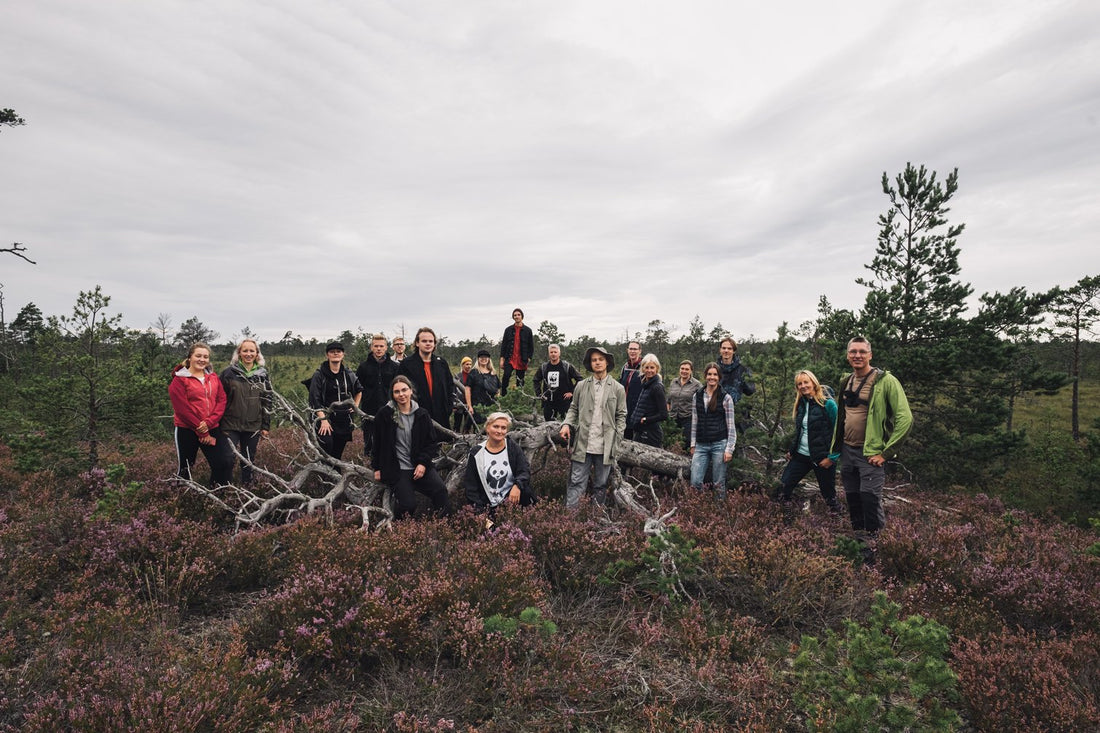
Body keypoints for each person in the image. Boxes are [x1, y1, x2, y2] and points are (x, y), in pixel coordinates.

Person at [831, 336, 912, 536]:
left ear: (870, 355)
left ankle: (876, 547)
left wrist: (886, 453)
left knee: (870, 499)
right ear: (848, 355)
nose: (857, 356)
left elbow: (906, 418)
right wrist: (835, 448)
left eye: (862, 352)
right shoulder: (846, 381)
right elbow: (842, 416)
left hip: (870, 454)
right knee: (853, 499)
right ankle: (859, 542)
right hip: (847, 451)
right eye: (853, 352)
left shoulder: (886, 381)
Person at [371, 375, 451, 519]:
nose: (401, 394)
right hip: (397, 468)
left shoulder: (422, 414)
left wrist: (422, 463)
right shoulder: (384, 414)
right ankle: (399, 530)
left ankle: (442, 525)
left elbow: (431, 443)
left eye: (404, 390)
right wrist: (377, 468)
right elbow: (377, 442)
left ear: (410, 391)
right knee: (408, 505)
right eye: (397, 392)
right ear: (392, 394)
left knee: (441, 491)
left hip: (419, 465)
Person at [559, 346, 627, 509]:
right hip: (583, 443)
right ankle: (570, 521)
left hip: (605, 445)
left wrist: (617, 439)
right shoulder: (582, 386)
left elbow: (621, 415)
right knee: (576, 483)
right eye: (594, 360)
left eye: (600, 359)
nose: (597, 363)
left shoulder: (617, 388)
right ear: (590, 364)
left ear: (607, 362)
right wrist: (566, 424)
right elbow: (574, 408)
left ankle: (596, 518)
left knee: (601, 485)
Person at [169, 342, 233, 486]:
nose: (202, 359)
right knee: (186, 469)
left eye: (205, 357)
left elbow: (221, 400)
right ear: (190, 357)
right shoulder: (179, 380)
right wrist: (201, 430)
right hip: (187, 430)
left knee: (225, 461)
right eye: (198, 356)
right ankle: (177, 502)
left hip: (212, 427)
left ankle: (217, 496)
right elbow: (182, 410)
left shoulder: (213, 378)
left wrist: (209, 423)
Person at [778, 370, 841, 511]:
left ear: (813, 382)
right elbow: (801, 431)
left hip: (822, 457)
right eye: (799, 384)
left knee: (829, 495)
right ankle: (786, 517)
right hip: (801, 455)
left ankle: (837, 522)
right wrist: (792, 450)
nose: (803, 386)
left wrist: (832, 458)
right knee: (784, 486)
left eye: (806, 382)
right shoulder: (801, 403)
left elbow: (840, 432)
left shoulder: (828, 404)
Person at [219, 338, 272, 485]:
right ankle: (226, 489)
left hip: (253, 425)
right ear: (239, 353)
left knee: (248, 460)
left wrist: (265, 426)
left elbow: (267, 401)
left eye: (252, 351)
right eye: (245, 351)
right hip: (230, 425)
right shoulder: (228, 373)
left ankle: (246, 490)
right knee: (227, 459)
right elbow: (219, 399)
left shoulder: (262, 375)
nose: (248, 354)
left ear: (257, 354)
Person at [463, 412, 536, 518]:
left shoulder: (512, 448)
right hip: (487, 504)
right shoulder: (477, 453)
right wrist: (479, 513)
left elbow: (524, 470)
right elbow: (471, 487)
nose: (499, 431)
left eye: (503, 428)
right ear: (487, 428)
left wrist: (517, 486)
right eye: (496, 426)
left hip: (511, 500)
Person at [308, 341, 363, 459]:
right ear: (327, 355)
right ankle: (325, 476)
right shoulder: (319, 375)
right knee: (327, 448)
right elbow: (314, 399)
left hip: (344, 420)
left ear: (343, 354)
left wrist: (355, 406)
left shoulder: (348, 374)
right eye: (332, 352)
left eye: (338, 352)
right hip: (325, 419)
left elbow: (359, 390)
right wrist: (323, 420)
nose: (335, 354)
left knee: (337, 455)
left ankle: (336, 476)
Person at [690, 362, 736, 498]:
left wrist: (729, 449)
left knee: (718, 483)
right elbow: (694, 421)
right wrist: (693, 444)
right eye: (709, 374)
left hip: (719, 444)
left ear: (719, 377)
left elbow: (731, 426)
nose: (712, 377)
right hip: (701, 445)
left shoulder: (726, 398)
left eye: (715, 374)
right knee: (695, 481)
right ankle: (698, 509)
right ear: (705, 376)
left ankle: (719, 512)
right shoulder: (697, 396)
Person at [398, 327, 455, 428]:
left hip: (441, 416)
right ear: (417, 343)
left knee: (442, 442)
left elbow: (450, 386)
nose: (428, 344)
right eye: (424, 341)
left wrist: (448, 408)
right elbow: (399, 389)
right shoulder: (407, 364)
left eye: (431, 341)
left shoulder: (441, 363)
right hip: (416, 416)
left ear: (434, 344)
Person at [356, 334, 400, 453]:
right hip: (368, 409)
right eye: (376, 346)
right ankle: (368, 468)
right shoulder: (363, 367)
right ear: (371, 347)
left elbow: (399, 387)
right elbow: (357, 388)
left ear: (386, 348)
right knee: (369, 444)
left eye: (381, 346)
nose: (379, 349)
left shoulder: (394, 367)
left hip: (390, 409)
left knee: (389, 442)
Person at [628, 353, 668, 447]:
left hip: (651, 434)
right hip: (641, 432)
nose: (649, 370)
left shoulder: (657, 387)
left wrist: (646, 419)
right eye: (647, 367)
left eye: (652, 368)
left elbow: (664, 414)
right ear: (643, 368)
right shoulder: (646, 384)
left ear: (657, 368)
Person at [533, 343, 582, 421]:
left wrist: (572, 392)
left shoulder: (567, 366)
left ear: (559, 353)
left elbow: (579, 379)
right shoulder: (544, 367)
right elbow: (536, 380)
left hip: (565, 402)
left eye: (555, 352)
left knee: (566, 426)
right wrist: (539, 394)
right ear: (549, 354)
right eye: (551, 352)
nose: (553, 354)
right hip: (548, 402)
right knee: (549, 427)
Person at [666, 360, 702, 450]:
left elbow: (702, 402)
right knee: (669, 443)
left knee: (687, 444)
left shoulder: (697, 384)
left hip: (688, 418)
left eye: (687, 369)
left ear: (691, 371)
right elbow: (668, 400)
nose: (684, 371)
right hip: (673, 418)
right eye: (682, 369)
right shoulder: (674, 382)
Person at [499, 308, 534, 396]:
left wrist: (529, 357)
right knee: (506, 376)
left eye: (518, 315)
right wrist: (502, 359)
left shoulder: (528, 330)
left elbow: (531, 346)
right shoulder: (508, 330)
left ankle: (520, 397)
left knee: (520, 380)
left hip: (522, 359)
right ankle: (503, 397)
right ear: (513, 317)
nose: (517, 316)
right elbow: (504, 345)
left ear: (522, 316)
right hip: (510, 358)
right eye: (515, 315)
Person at [618, 341, 643, 439]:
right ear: (627, 350)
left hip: (638, 410)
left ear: (640, 351)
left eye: (635, 349)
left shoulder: (644, 367)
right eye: (631, 349)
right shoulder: (625, 367)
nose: (633, 351)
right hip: (624, 409)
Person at [452, 356, 476, 432]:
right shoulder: (457, 376)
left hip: (470, 404)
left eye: (470, 364)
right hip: (459, 404)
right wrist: (454, 404)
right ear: (462, 365)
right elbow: (453, 390)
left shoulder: (473, 376)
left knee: (468, 425)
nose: (468, 366)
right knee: (457, 424)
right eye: (467, 364)